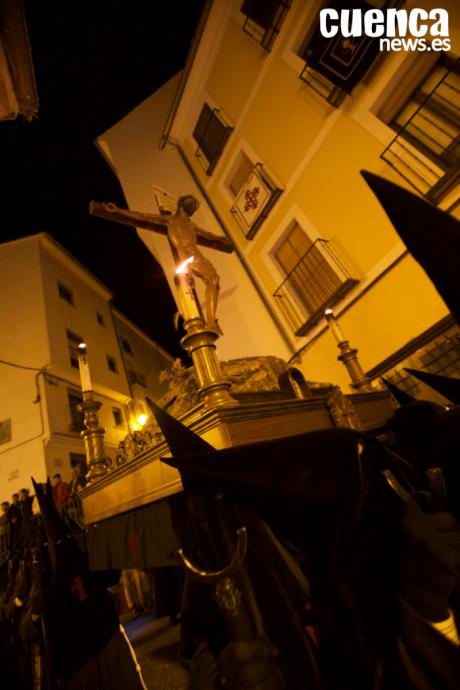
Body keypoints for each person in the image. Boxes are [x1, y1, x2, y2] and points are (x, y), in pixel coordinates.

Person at [101, 195, 232, 334]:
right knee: (212, 279)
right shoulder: (170, 220)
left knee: (215, 280)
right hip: (188, 256)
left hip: (197, 255)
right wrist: (118, 210)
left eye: (194, 206)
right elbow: (143, 216)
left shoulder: (191, 224)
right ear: (182, 205)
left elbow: (207, 234)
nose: (193, 208)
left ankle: (211, 321)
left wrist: (219, 238)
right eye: (192, 205)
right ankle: (211, 322)